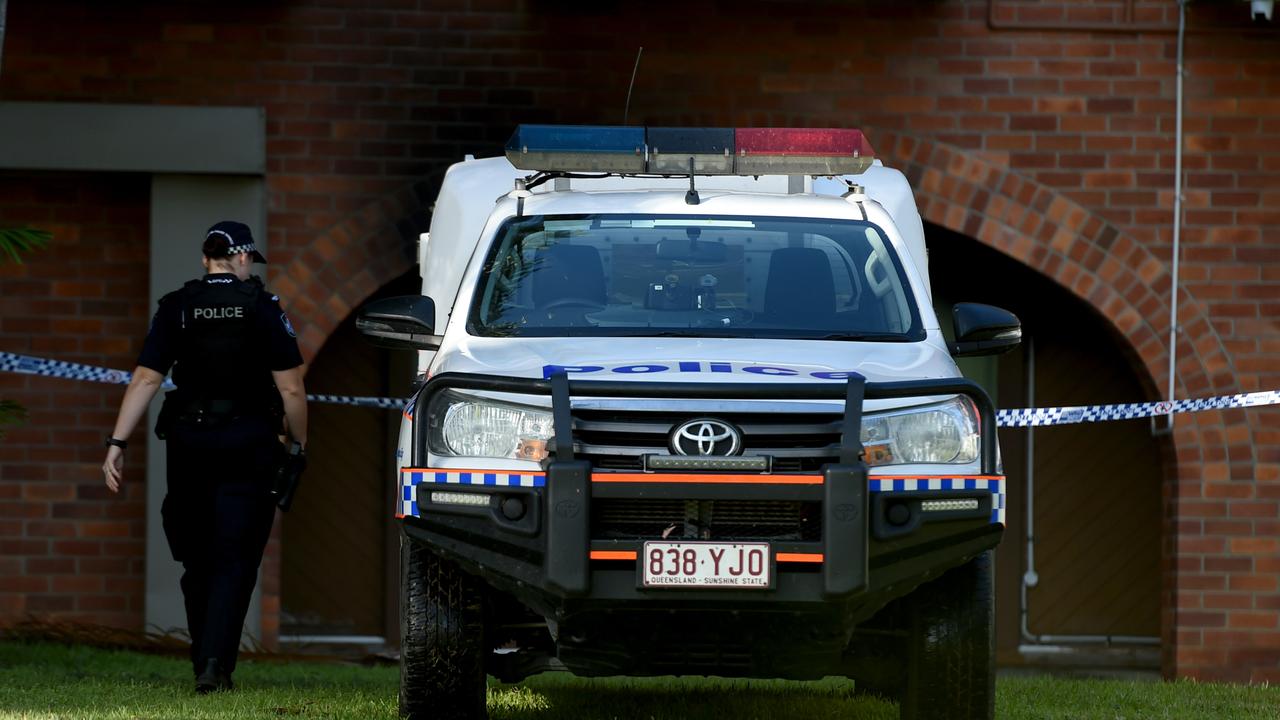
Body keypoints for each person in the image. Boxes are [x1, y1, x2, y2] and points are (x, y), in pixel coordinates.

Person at [102, 221, 307, 694]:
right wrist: (299, 443)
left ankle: (204, 661)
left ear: (204, 259)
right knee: (235, 559)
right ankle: (216, 663)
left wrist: (117, 443)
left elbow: (145, 380)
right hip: (250, 444)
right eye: (249, 260)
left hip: (189, 444)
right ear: (241, 258)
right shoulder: (263, 307)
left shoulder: (178, 306)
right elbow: (292, 387)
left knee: (198, 558)